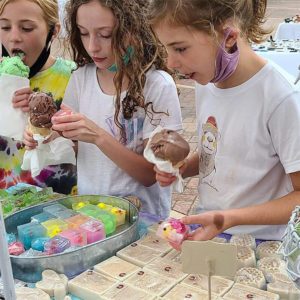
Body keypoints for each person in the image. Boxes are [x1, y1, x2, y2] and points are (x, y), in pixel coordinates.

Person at [148, 0, 300, 241]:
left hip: (261, 244)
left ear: (228, 36)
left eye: (180, 49)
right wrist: (184, 168)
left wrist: (230, 218)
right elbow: (219, 150)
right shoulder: (207, 80)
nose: (170, 63)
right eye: (167, 49)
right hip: (213, 230)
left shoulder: (281, 98)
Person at [47, 0, 182, 218]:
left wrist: (99, 136)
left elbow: (151, 174)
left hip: (141, 221)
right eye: (83, 33)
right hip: (90, 216)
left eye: (106, 34)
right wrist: (47, 138)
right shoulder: (81, 79)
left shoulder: (157, 85)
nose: (92, 46)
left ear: (134, 29)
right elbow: (74, 149)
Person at [0, 0, 77, 194]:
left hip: (58, 207)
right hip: (6, 204)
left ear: (53, 31)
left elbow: (90, 149)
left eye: (26, 28)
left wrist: (47, 121)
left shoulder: (74, 77)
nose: (14, 37)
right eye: (4, 27)